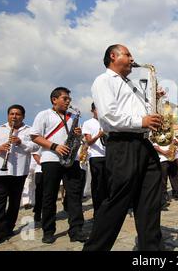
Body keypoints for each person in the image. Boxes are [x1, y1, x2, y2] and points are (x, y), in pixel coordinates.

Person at [83, 44, 163, 251]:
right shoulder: (103, 80)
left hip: (143, 144)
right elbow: (109, 116)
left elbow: (141, 112)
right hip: (122, 144)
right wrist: (142, 121)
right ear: (113, 56)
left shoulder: (131, 84)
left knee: (150, 203)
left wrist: (156, 101)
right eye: (127, 54)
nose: (132, 58)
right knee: (117, 202)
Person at [30, 87, 87, 244]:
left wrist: (77, 133)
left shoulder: (71, 117)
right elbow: (34, 136)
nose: (68, 101)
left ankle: (76, 230)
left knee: (74, 195)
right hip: (51, 159)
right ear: (54, 100)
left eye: (69, 99)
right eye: (64, 98)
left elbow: (75, 139)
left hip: (71, 160)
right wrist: (55, 146)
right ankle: (48, 231)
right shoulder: (44, 115)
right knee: (49, 196)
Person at [0, 105, 39, 243]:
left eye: (18, 114)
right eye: (12, 114)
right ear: (8, 115)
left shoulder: (30, 130)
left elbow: (36, 147)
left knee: (14, 202)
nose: (14, 116)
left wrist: (21, 143)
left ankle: (8, 228)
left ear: (23, 116)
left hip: (19, 171)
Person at [82, 102, 107, 218]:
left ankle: (107, 210)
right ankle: (97, 211)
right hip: (96, 157)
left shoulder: (107, 122)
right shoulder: (88, 123)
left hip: (108, 156)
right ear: (92, 110)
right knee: (97, 184)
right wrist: (98, 135)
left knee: (108, 184)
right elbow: (88, 142)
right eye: (98, 109)